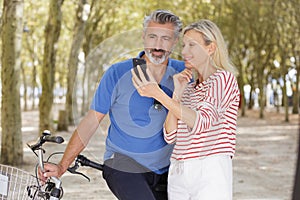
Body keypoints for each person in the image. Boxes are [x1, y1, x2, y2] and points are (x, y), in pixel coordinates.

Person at [39, 9, 184, 200]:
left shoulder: (184, 74)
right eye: (152, 36)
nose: (158, 45)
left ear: (175, 41)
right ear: (143, 37)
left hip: (170, 170)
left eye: (166, 38)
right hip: (123, 165)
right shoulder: (117, 73)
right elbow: (91, 122)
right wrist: (62, 166)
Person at [132, 19, 240, 200]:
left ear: (210, 48)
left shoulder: (223, 79)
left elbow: (201, 122)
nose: (183, 52)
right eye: (184, 45)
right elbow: (170, 135)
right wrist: (177, 94)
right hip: (179, 169)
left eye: (192, 45)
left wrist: (158, 94)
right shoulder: (189, 87)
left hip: (210, 168)